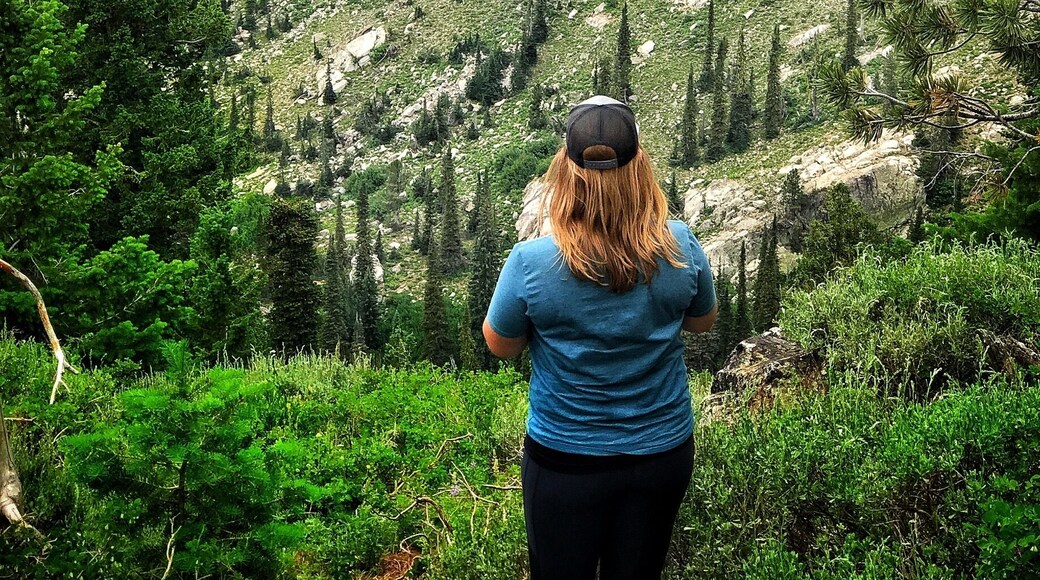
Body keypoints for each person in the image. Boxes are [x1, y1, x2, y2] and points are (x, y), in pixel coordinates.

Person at [482, 95, 718, 579]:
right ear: (639, 169)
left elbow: (499, 344)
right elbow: (702, 322)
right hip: (662, 451)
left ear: (565, 173)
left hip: (566, 459)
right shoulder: (680, 245)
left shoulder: (531, 262)